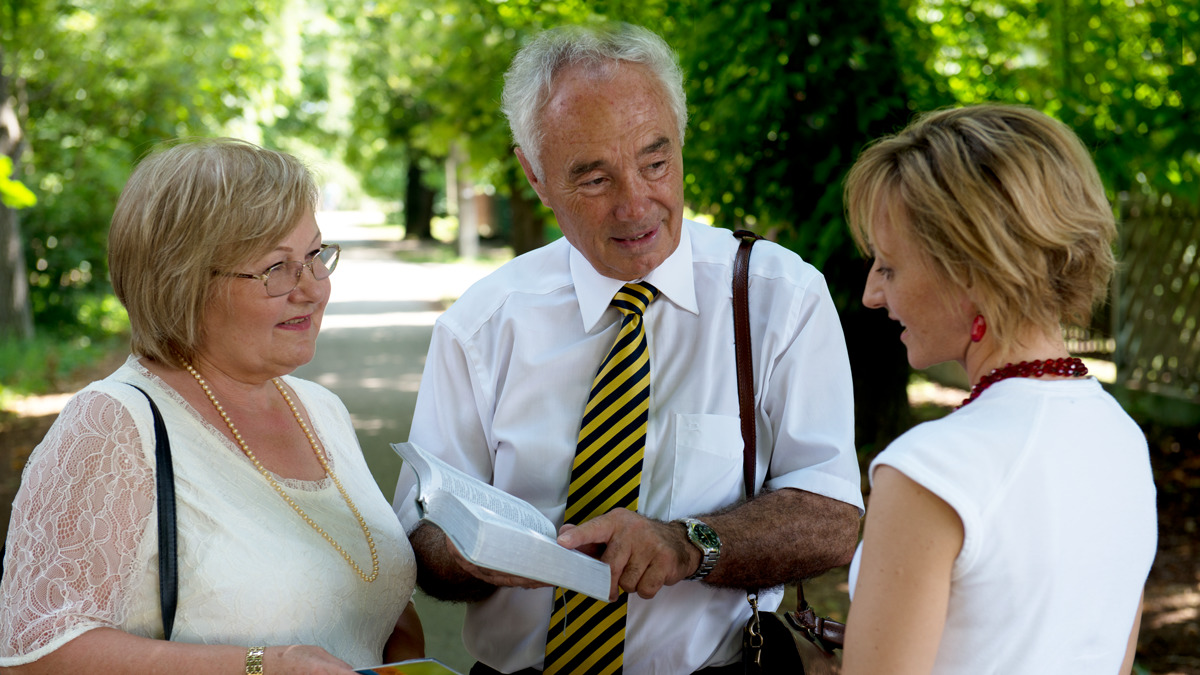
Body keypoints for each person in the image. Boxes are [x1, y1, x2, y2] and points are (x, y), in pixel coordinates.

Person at [393, 23, 863, 674]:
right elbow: (421, 533)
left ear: (681, 140)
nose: (636, 204)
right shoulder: (481, 325)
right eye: (594, 179)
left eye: (655, 160)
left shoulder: (778, 296)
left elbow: (833, 513)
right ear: (534, 175)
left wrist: (688, 542)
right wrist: (468, 552)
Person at [0, 139, 423, 673]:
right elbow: (33, 652)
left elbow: (370, 592)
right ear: (184, 283)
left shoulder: (321, 411)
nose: (312, 289)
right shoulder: (113, 425)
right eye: (276, 268)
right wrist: (262, 665)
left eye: (315, 256)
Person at [840, 104, 1158, 674]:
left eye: (889, 267)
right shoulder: (1123, 441)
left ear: (967, 271)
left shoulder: (929, 472)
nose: (872, 295)